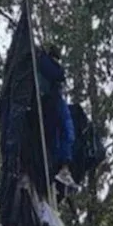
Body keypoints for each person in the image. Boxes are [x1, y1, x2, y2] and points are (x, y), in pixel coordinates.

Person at [36, 44, 78, 193]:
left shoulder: (43, 62)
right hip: (50, 101)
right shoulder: (44, 61)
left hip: (50, 101)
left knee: (60, 135)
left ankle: (60, 172)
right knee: (66, 132)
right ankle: (61, 170)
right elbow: (58, 74)